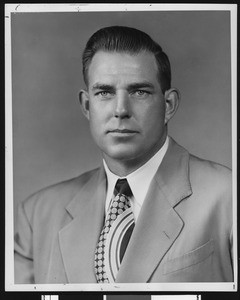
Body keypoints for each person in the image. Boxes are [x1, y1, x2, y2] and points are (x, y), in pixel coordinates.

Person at [14, 26, 233, 284]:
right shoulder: (38, 214)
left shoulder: (228, 197)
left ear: (169, 105)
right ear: (87, 105)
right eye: (104, 92)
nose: (120, 110)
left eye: (139, 91)